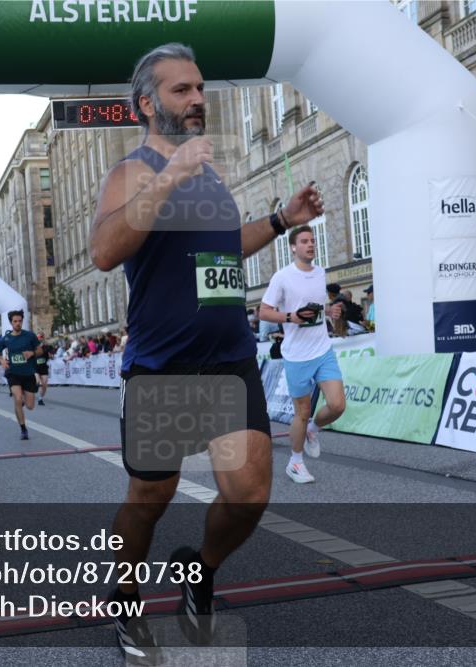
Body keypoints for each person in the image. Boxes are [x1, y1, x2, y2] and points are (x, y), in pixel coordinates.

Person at [89, 42, 325, 662]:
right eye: (181, 90)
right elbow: (105, 252)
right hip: (165, 368)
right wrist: (171, 175)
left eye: (199, 89)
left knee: (249, 495)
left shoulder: (212, 177)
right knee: (150, 499)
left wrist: (279, 220)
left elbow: (222, 250)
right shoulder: (135, 171)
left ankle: (200, 569)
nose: (198, 99)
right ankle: (126, 600)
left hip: (229, 361)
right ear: (147, 104)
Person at [260, 226, 346, 484]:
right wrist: (290, 317)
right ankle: (295, 463)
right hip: (296, 354)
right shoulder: (282, 277)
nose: (310, 245)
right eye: (305, 241)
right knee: (302, 411)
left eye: (313, 241)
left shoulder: (320, 273)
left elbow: (316, 307)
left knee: (338, 405)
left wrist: (329, 312)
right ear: (293, 247)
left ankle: (313, 430)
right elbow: (264, 312)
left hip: (322, 350)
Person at [0, 310, 42, 440]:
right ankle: (23, 429)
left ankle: (20, 402)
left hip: (28, 373)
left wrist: (31, 353)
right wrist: (2, 361)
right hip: (13, 373)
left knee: (30, 406)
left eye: (20, 321)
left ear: (22, 321)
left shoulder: (30, 336)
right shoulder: (7, 338)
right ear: (11, 322)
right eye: (15, 321)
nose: (18, 323)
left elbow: (40, 350)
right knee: (17, 398)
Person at [35, 331, 52, 406]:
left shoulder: (46, 346)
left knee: (44, 384)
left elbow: (51, 354)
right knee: (37, 381)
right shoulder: (34, 346)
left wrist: (50, 355)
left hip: (44, 367)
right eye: (38, 337)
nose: (39, 338)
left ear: (43, 337)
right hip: (35, 367)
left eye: (41, 337)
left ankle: (40, 398)